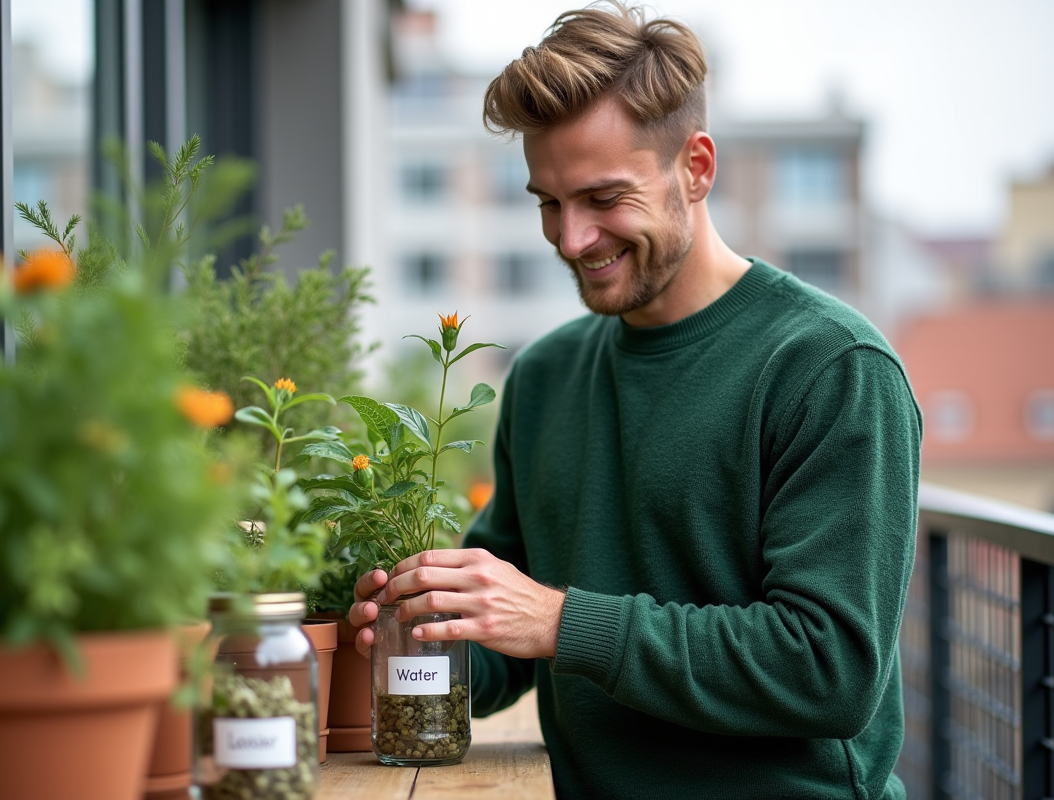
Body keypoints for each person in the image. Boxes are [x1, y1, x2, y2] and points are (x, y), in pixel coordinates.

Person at [350, 3, 922, 797]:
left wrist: (558, 620)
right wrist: (418, 630)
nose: (571, 239)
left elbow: (830, 669)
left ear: (696, 168)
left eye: (603, 198)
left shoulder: (829, 366)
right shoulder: (546, 375)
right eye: (548, 202)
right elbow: (505, 640)